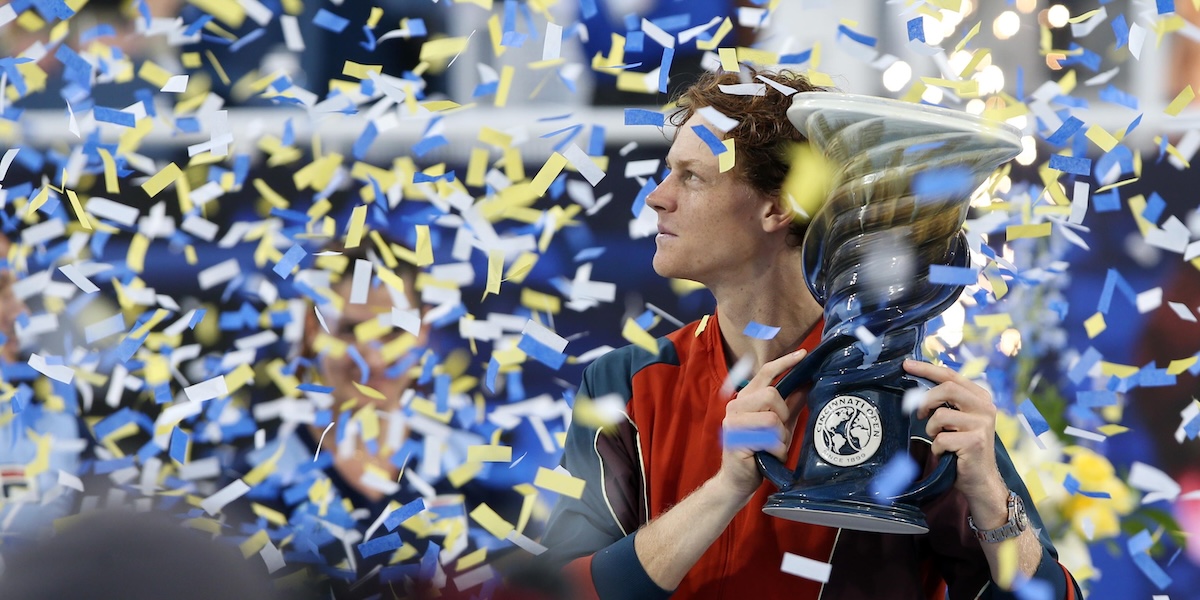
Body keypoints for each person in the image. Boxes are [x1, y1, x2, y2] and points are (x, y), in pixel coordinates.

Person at [539, 67, 1083, 599]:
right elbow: (555, 593)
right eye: (668, 172)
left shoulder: (912, 400)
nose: (657, 197)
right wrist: (726, 490)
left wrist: (990, 499)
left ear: (777, 207)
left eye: (692, 177)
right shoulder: (627, 386)